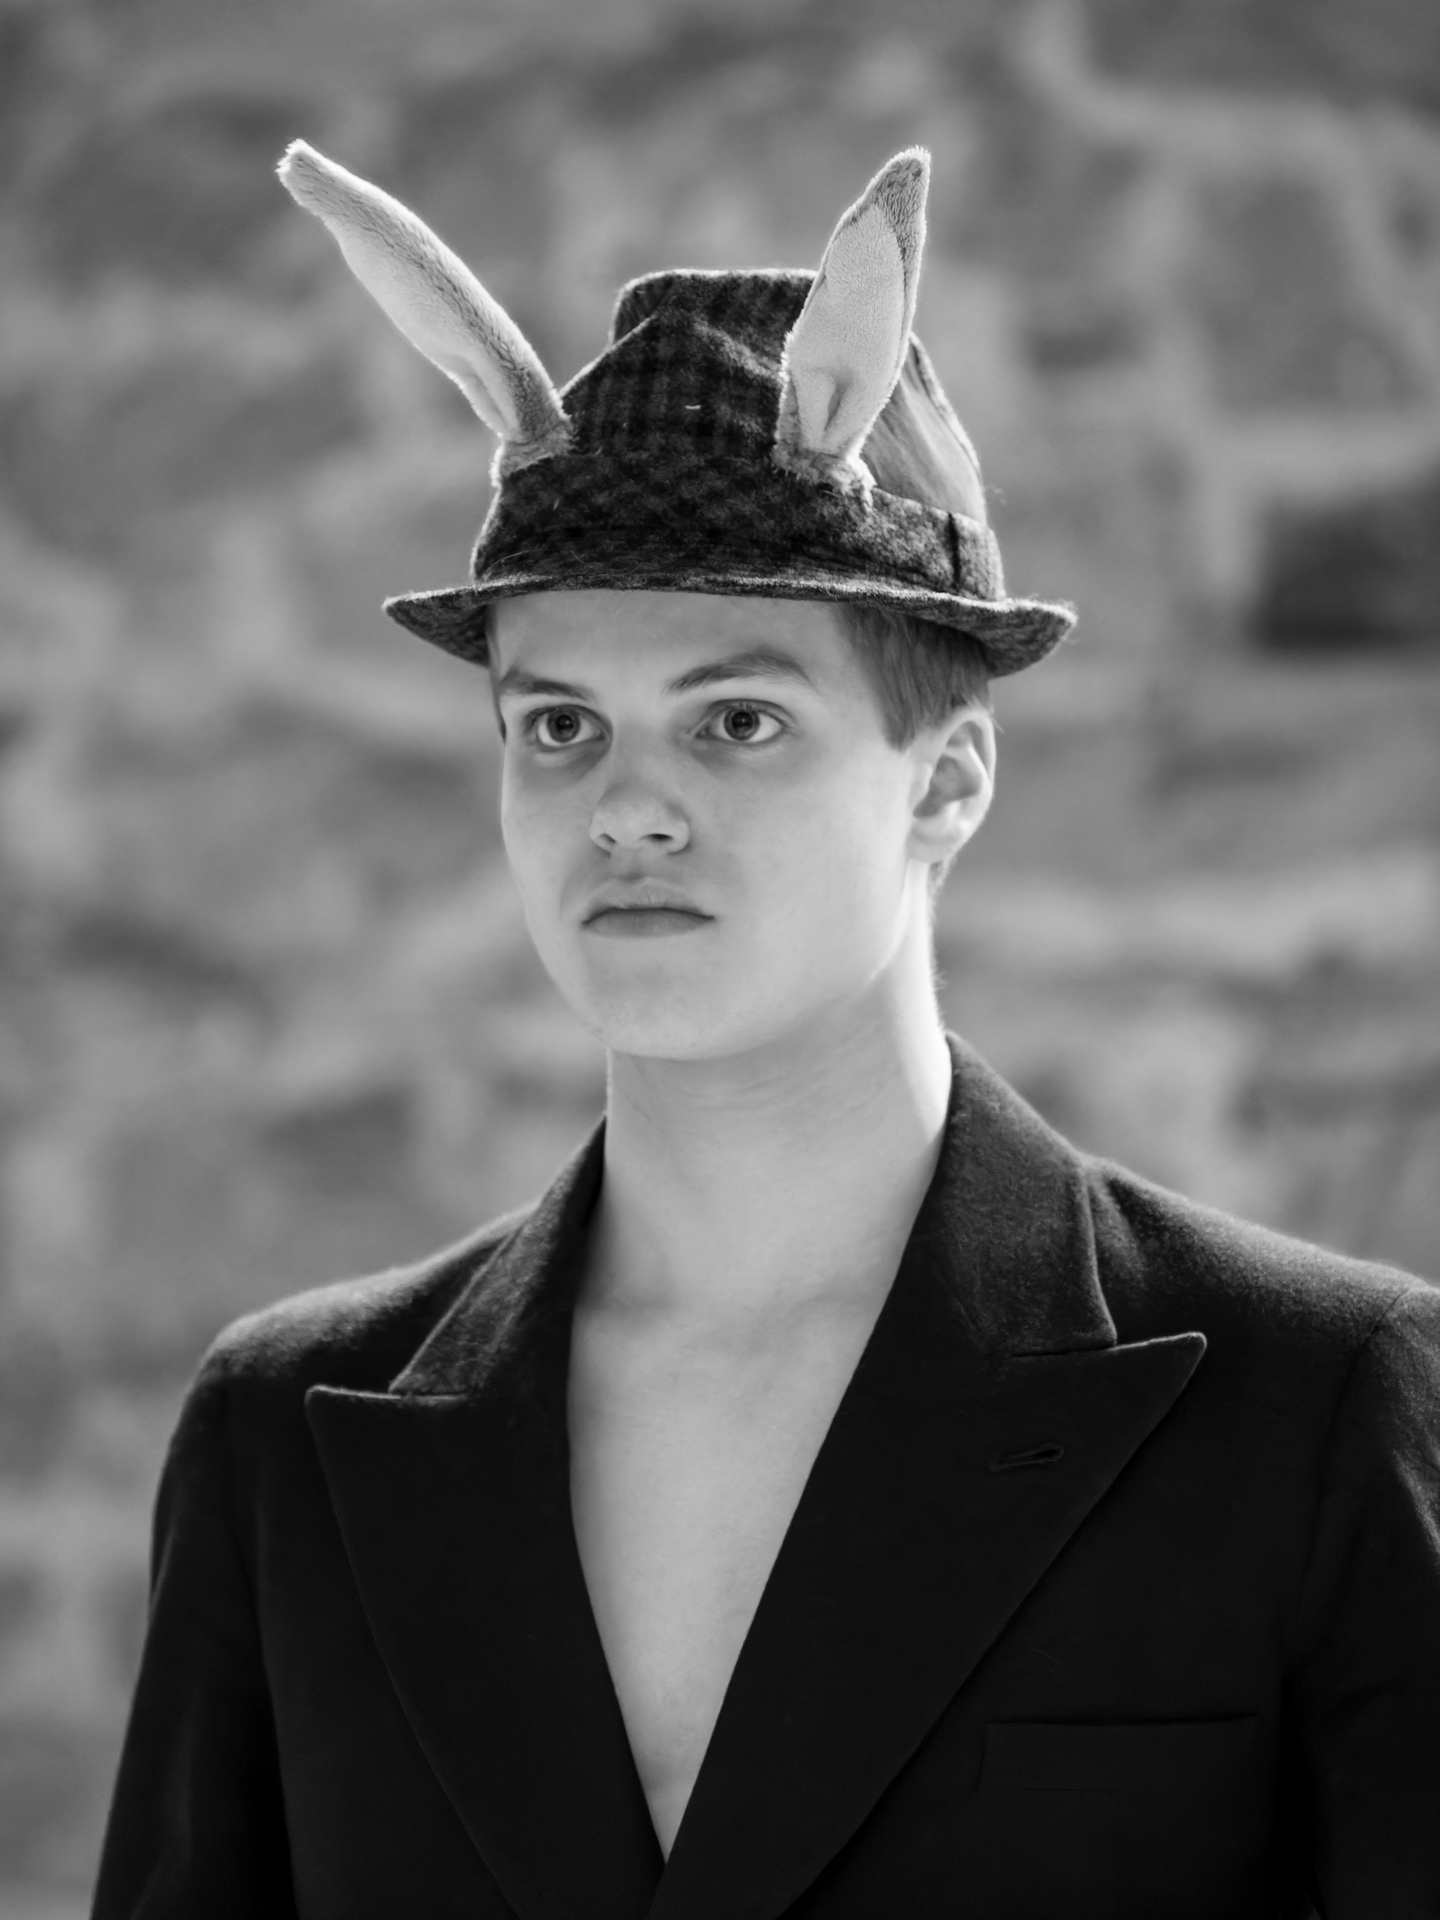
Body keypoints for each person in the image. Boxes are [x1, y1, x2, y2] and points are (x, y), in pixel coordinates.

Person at [91, 142, 1439, 1920]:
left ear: (945, 782)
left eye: (736, 720)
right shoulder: (283, 1438)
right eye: (559, 726)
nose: (625, 807)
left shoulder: (1314, 1402)